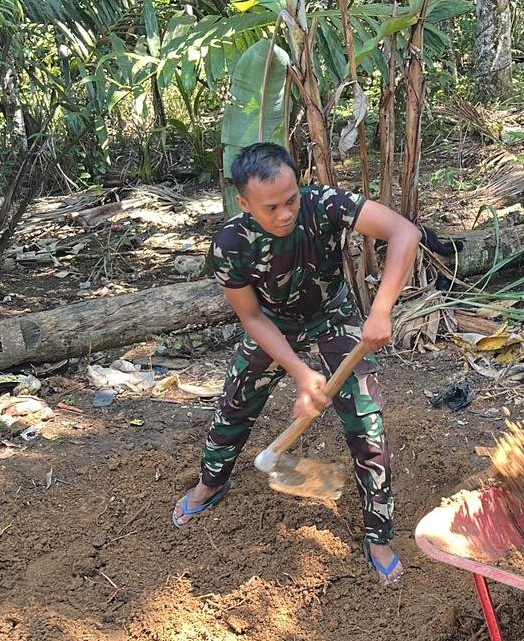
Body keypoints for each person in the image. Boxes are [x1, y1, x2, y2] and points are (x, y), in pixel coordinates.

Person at [172, 142, 420, 586]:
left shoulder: (324, 203)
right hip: (274, 323)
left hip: (334, 315)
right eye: (271, 207)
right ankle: (211, 481)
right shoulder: (230, 245)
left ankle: (378, 535)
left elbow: (404, 232)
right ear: (244, 204)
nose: (286, 213)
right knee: (235, 402)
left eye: (291, 200)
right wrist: (302, 374)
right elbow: (252, 317)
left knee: (367, 423)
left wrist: (381, 310)